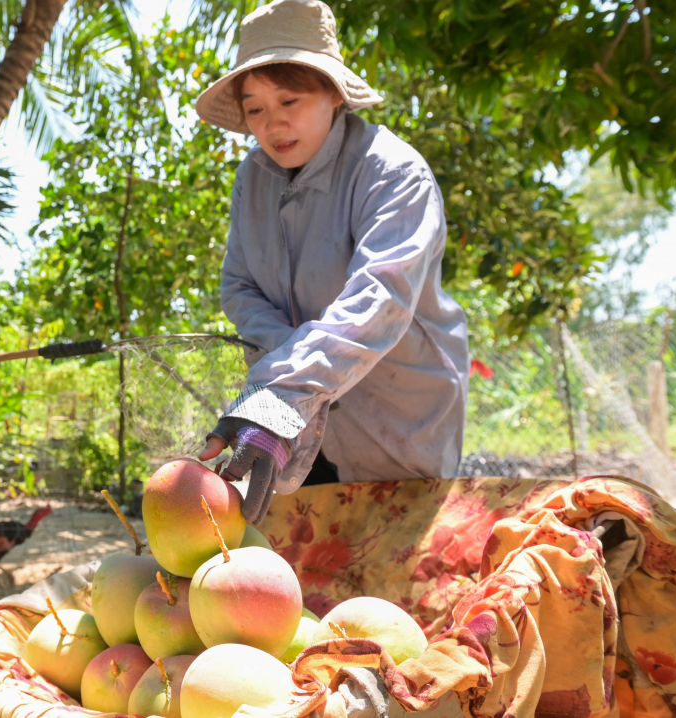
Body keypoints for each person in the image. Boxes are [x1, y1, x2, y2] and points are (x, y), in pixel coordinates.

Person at [195, 0, 470, 525]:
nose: (273, 123)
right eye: (254, 109)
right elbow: (239, 287)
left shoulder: (394, 173)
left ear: (334, 94)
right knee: (306, 578)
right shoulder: (252, 179)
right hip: (292, 430)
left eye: (289, 100)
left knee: (396, 575)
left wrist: (279, 396)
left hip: (396, 420)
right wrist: (288, 374)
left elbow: (379, 302)